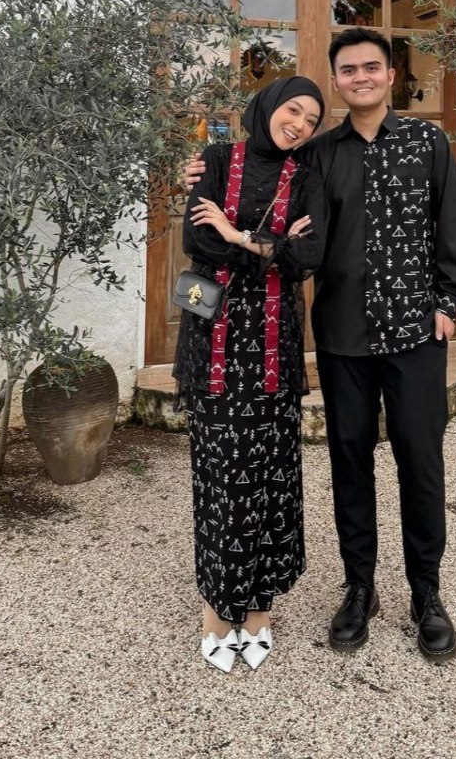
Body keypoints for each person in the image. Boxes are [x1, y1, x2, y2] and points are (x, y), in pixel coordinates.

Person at [185, 29, 456, 662]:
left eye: (372, 67)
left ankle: (426, 593)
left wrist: (448, 301)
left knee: (421, 464)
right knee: (350, 464)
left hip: (414, 333)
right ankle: (359, 587)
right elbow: (264, 188)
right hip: (342, 336)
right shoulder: (315, 153)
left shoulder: (428, 142)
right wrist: (203, 171)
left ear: (390, 75)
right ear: (338, 80)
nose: (361, 77)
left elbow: (449, 222)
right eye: (348, 69)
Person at [173, 76, 328, 673]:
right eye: (294, 110)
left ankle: (259, 607)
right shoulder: (215, 160)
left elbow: (307, 259)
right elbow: (197, 240)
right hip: (213, 340)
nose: (300, 125)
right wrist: (271, 247)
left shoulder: (305, 175)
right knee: (219, 472)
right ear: (267, 106)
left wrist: (235, 233)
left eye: (312, 120)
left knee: (271, 472)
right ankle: (218, 609)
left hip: (273, 347)